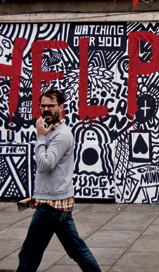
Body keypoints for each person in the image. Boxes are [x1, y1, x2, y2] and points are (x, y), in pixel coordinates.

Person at [17, 88, 101, 272]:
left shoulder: (61, 135)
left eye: (51, 106)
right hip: (58, 202)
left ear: (61, 107)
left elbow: (45, 165)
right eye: (43, 106)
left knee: (29, 254)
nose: (46, 109)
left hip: (51, 205)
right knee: (76, 249)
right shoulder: (52, 132)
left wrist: (40, 138)